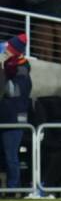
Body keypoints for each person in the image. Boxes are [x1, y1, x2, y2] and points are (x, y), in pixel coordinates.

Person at [0, 34, 31, 188]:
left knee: (11, 156)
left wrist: (2, 74)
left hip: (14, 120)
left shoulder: (22, 68)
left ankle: (13, 188)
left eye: (8, 49)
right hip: (4, 117)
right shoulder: (8, 66)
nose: (6, 51)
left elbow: (14, 92)